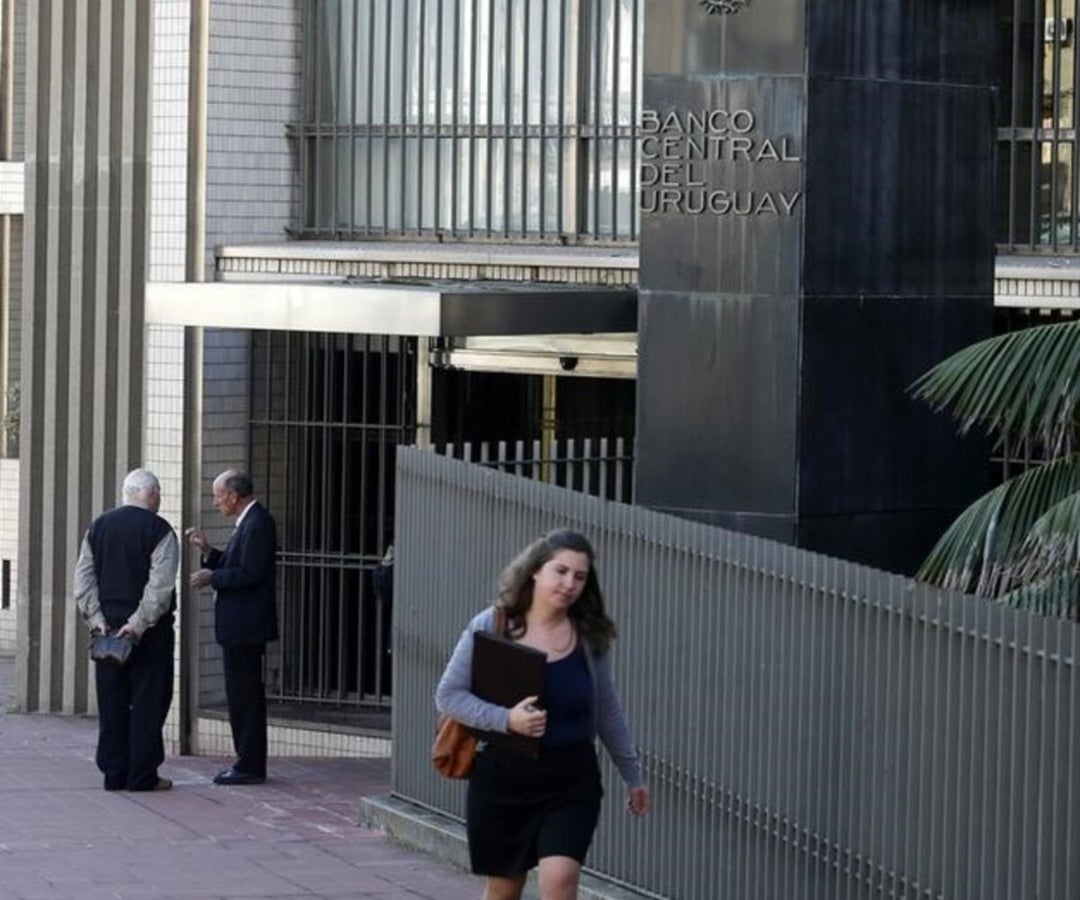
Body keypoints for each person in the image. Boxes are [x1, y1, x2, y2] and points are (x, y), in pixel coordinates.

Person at [435, 528, 649, 900]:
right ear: (535, 570)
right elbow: (449, 696)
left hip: (570, 779)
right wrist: (506, 719)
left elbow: (607, 709)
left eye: (579, 577)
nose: (569, 584)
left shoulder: (588, 637)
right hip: (504, 778)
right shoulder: (493, 624)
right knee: (504, 890)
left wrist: (633, 775)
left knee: (560, 880)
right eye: (561, 571)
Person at [74, 468, 178, 792]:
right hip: (148, 634)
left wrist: (97, 620)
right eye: (158, 494)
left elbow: (83, 580)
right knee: (149, 702)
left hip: (106, 633)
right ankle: (142, 775)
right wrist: (136, 626)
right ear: (152, 494)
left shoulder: (98, 527)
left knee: (112, 702)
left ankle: (114, 773)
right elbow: (159, 589)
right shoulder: (160, 531)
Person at [187, 470, 278, 786]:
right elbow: (236, 563)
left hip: (246, 626)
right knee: (239, 695)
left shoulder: (258, 523)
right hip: (239, 626)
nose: (216, 502)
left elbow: (250, 573)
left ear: (234, 496)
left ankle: (249, 763)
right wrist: (209, 554)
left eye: (218, 495)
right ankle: (245, 759)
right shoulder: (249, 523)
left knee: (246, 696)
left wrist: (213, 577)